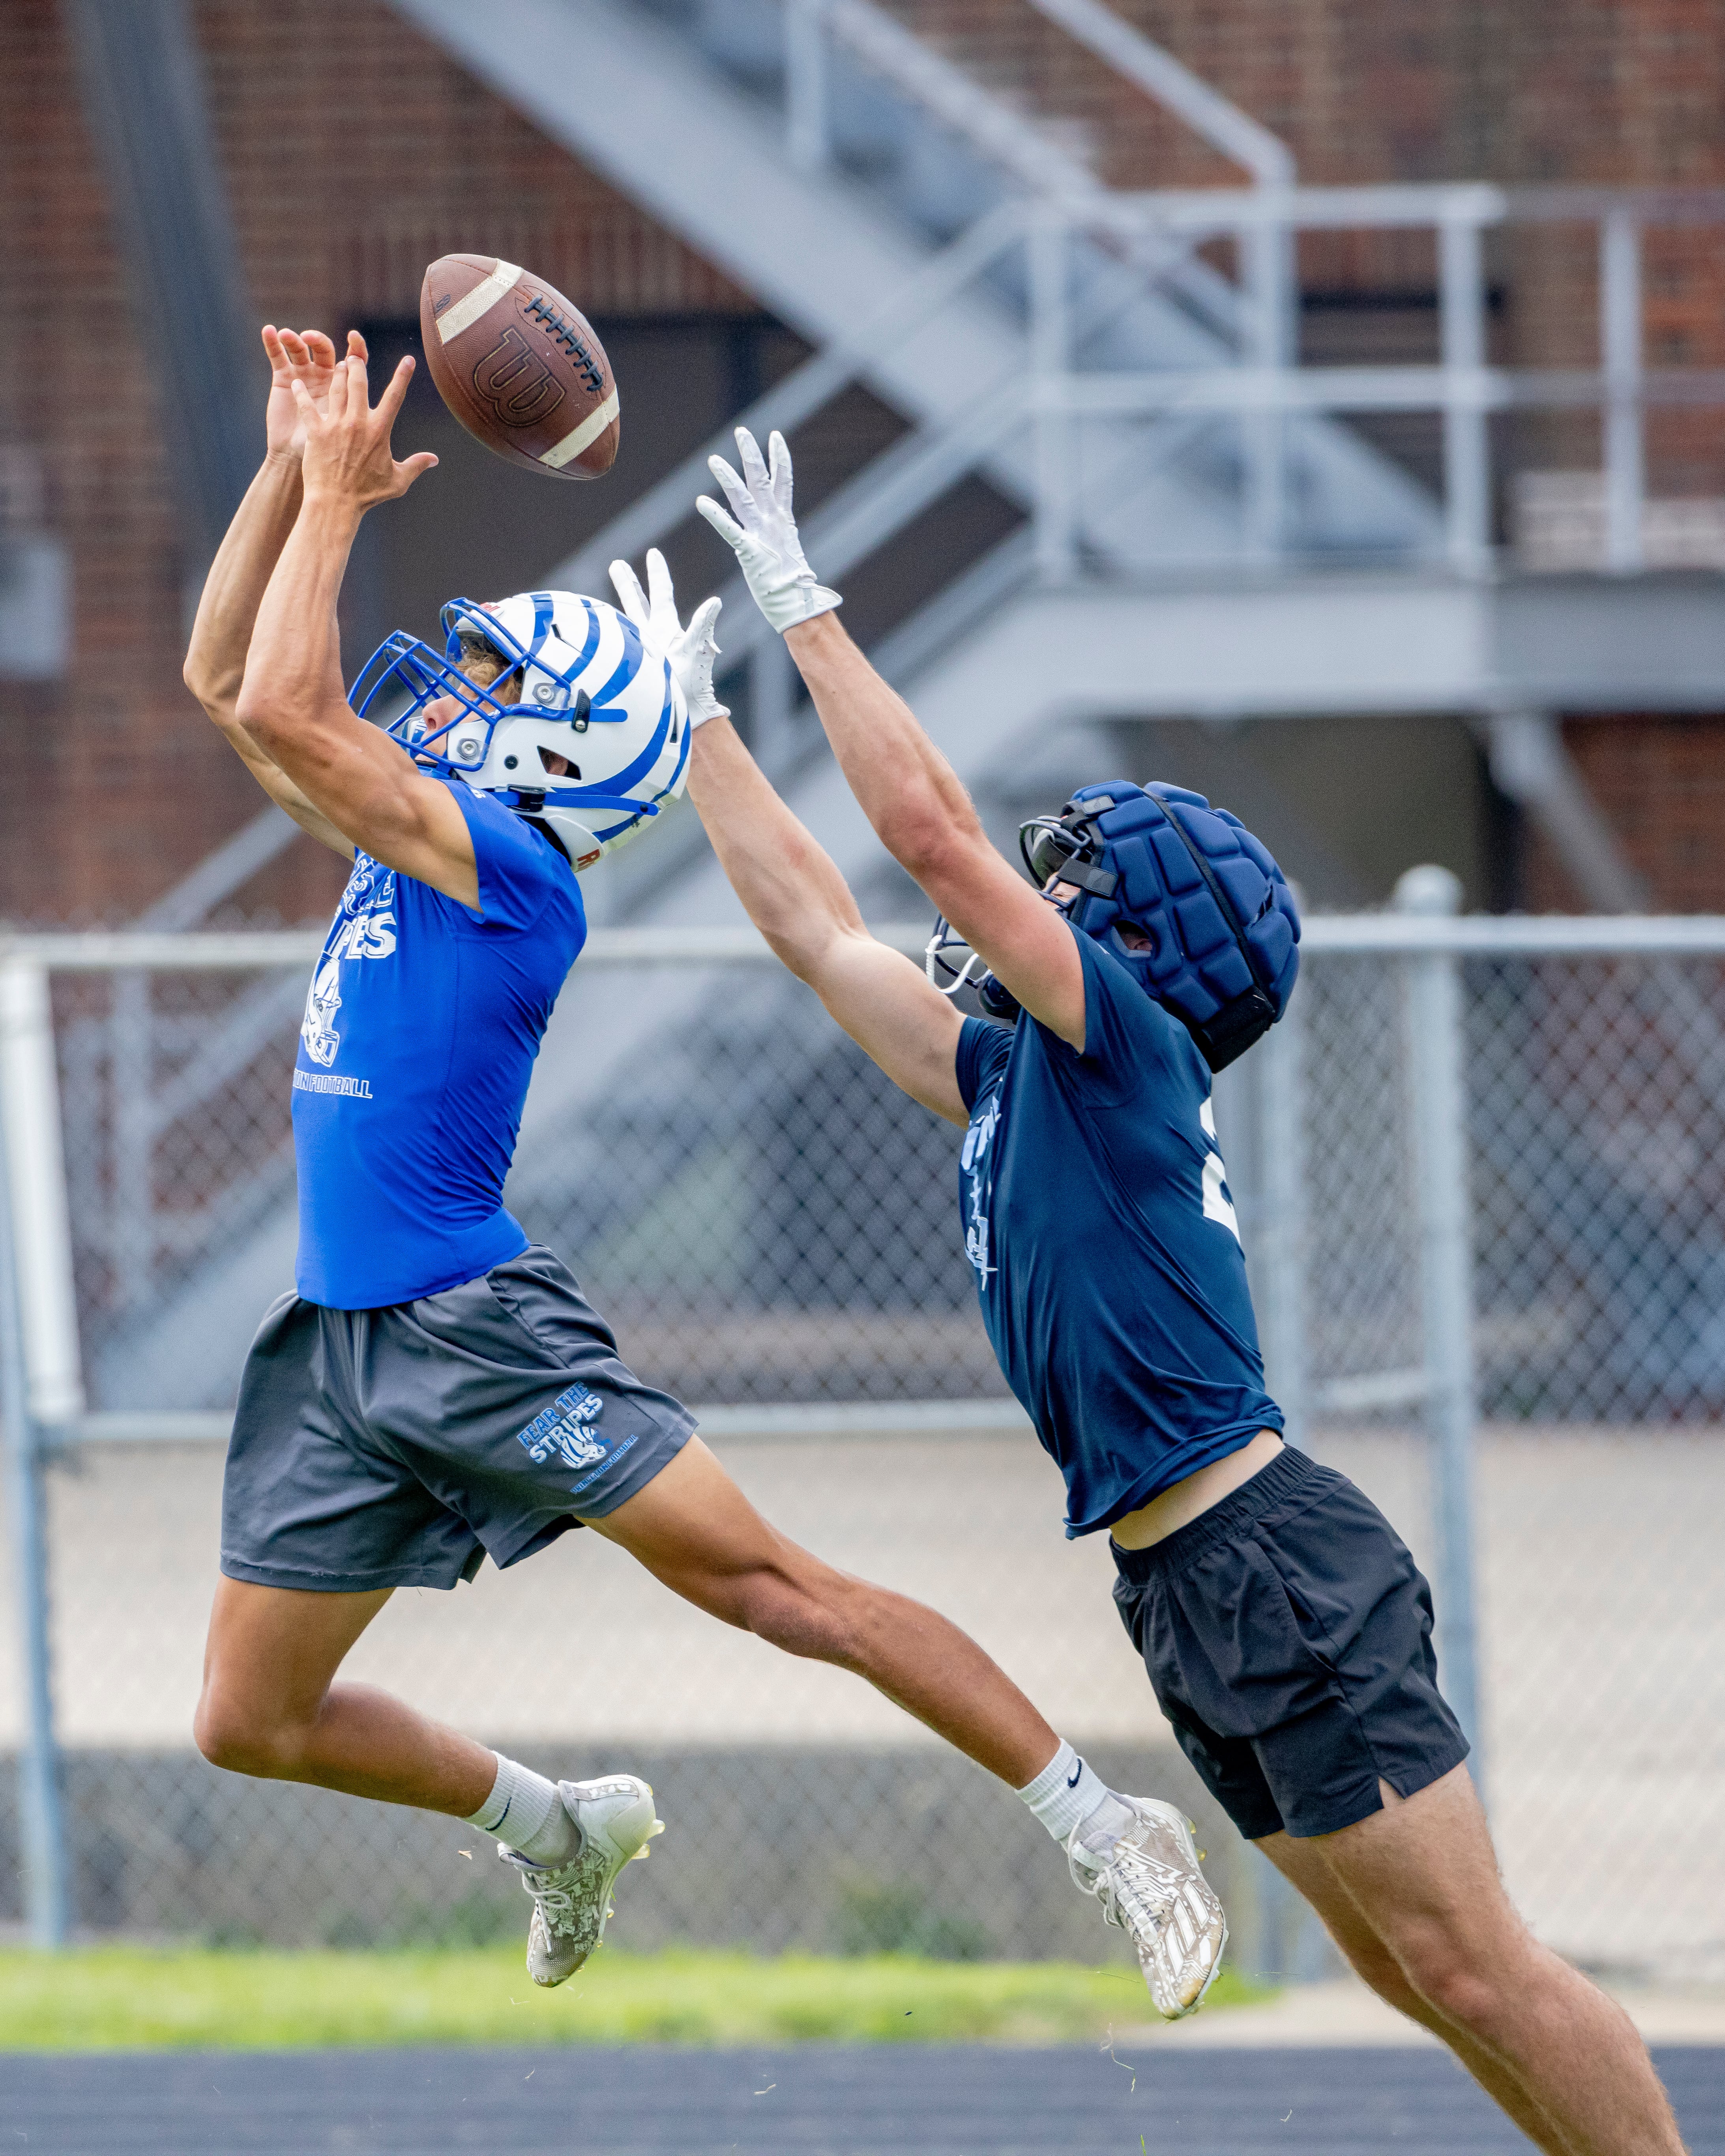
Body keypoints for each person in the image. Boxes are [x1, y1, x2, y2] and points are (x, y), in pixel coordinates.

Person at [644, 423, 1691, 2156]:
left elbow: (921, 828)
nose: (1033, 892)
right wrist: (695, 733)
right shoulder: (1012, 1077)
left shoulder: (1117, 1043)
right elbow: (817, 930)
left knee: (1477, 1963)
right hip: (1180, 1583)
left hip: (1269, 1558)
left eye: (1070, 888)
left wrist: (802, 606)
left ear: (1133, 948)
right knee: (1412, 1977)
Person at [176, 327, 1227, 2014]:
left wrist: (332, 502)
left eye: (499, 695)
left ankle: (1111, 1827)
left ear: (551, 762)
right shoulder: (421, 820)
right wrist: (280, 479)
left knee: (777, 1590)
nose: (458, 697)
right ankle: (560, 1825)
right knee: (249, 1720)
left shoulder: (507, 863)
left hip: (469, 1326)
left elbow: (289, 697)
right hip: (338, 1342)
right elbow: (228, 688)